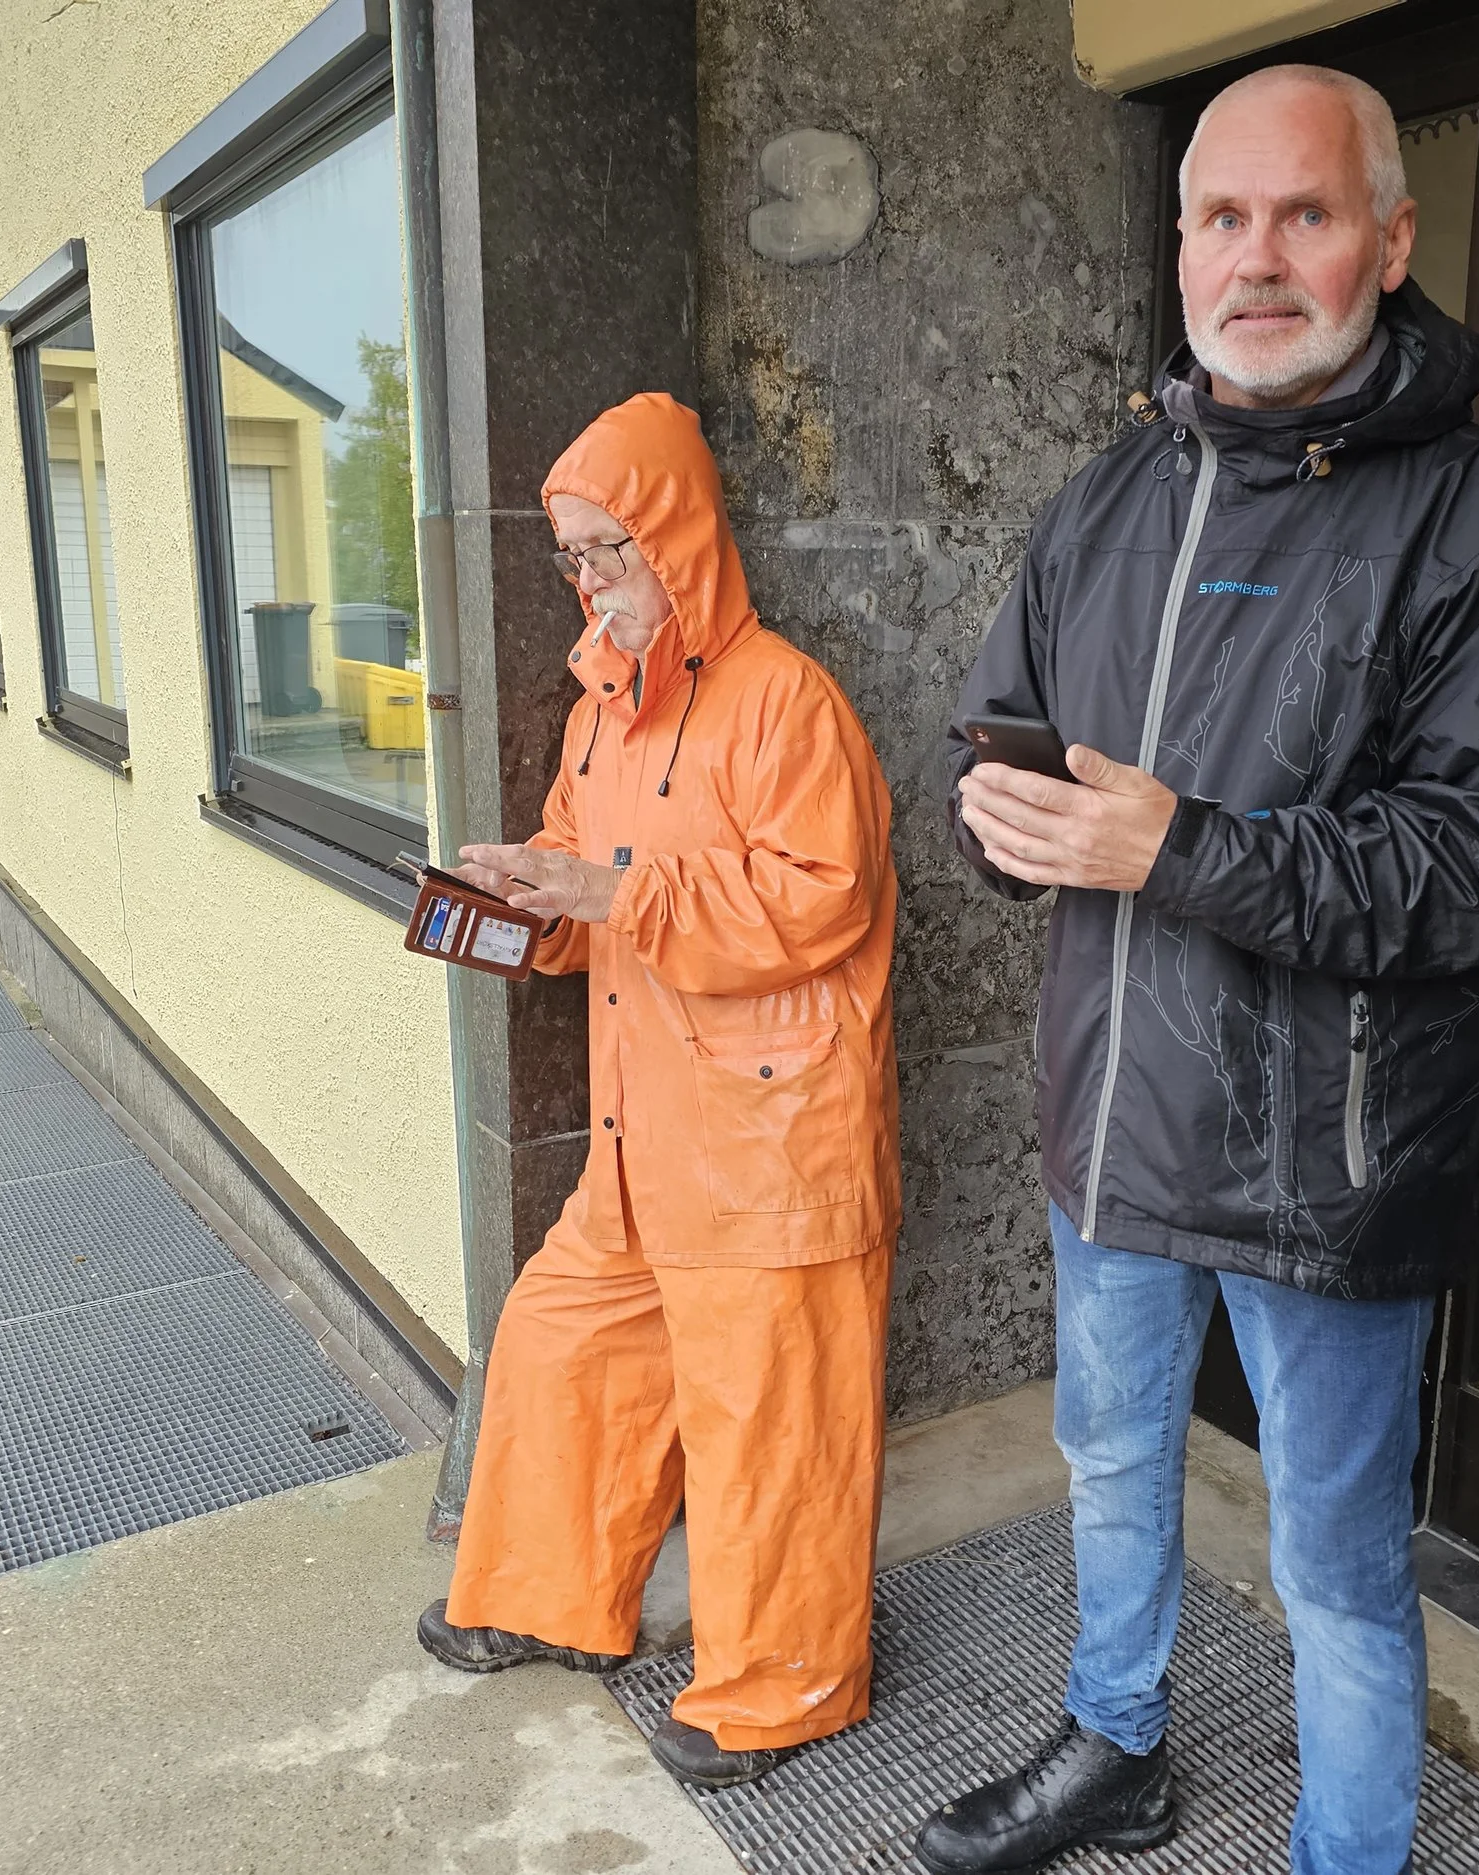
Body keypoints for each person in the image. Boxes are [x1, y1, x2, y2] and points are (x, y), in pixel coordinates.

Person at [916, 64, 1479, 1875]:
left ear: (1391, 238)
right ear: (1181, 248)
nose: (1262, 257)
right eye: (1224, 216)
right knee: (1113, 1467)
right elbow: (1004, 734)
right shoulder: (1107, 500)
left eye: (1307, 213)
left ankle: (1347, 1850)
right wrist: (1001, 815)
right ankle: (1117, 1744)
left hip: (1336, 1163)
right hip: (1117, 1126)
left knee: (1336, 1562)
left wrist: (1180, 848)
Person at [416, 392, 901, 1792]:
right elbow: (588, 892)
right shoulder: (603, 713)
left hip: (772, 1154)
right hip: (644, 1145)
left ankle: (783, 1688)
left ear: (676, 540)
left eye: (606, 550)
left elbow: (821, 900)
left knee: (771, 1429)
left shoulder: (788, 701)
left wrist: (609, 891)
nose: (586, 580)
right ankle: (546, 1595)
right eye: (570, 555)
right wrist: (520, 906)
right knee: (562, 1342)